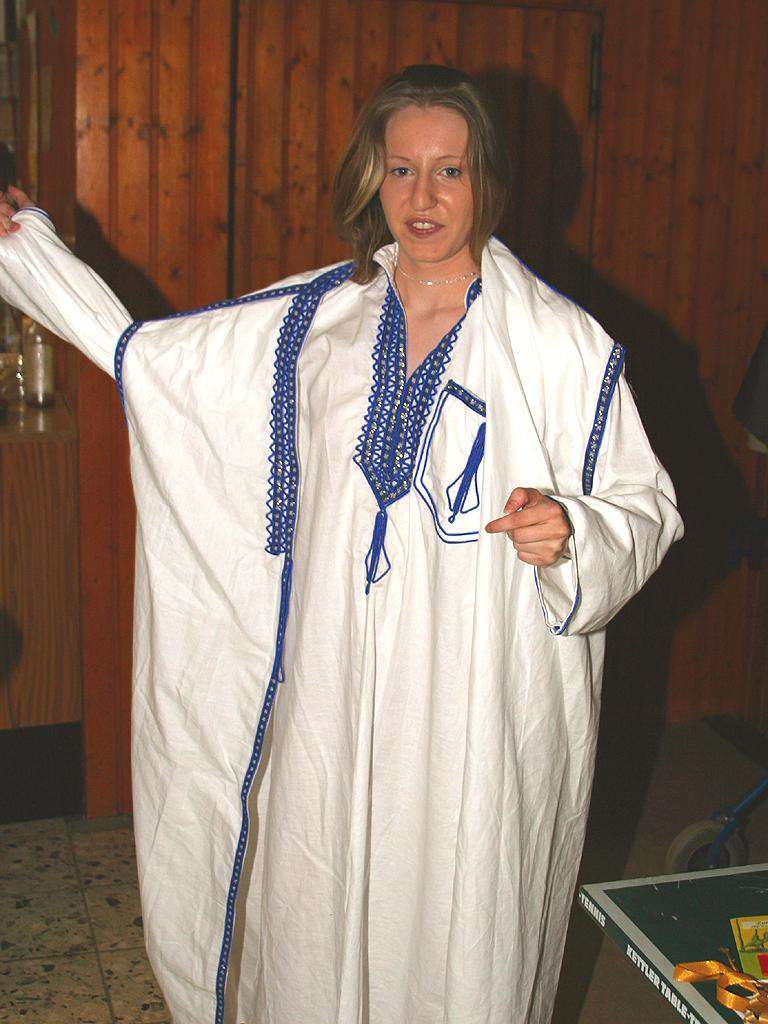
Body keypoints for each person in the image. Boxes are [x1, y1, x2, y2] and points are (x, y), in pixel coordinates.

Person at [0, 65, 682, 1024]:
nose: (423, 196)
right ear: (373, 175)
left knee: (457, 927)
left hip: (470, 716)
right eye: (402, 169)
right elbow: (144, 359)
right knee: (312, 911)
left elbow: (646, 505)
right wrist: (26, 252)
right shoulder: (314, 322)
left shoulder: (562, 347)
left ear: (488, 179)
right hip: (328, 698)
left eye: (449, 171)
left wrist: (577, 533)